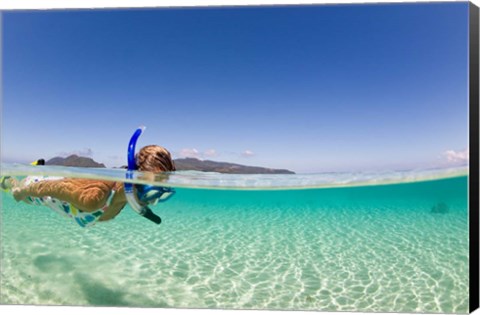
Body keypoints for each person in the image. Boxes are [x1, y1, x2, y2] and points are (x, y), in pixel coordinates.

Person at [3, 127, 176, 227]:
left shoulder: (128, 192)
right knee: (16, 192)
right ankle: (8, 181)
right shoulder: (94, 196)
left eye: (162, 194)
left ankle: (36, 170)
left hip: (57, 186)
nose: (153, 201)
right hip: (38, 190)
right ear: (135, 181)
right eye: (152, 193)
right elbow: (46, 188)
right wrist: (21, 191)